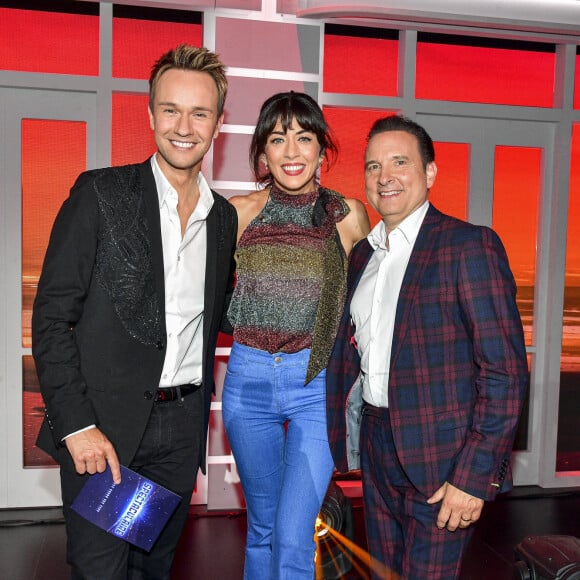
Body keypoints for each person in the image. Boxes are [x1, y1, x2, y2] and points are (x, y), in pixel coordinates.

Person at [32, 45, 237, 579]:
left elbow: (218, 313)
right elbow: (52, 318)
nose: (183, 126)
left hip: (179, 430)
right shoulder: (101, 193)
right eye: (170, 109)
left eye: (199, 112)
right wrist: (75, 425)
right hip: (107, 433)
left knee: (150, 567)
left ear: (218, 122)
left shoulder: (223, 220)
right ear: (150, 115)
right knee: (103, 570)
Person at [326, 115, 529, 579]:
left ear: (430, 172)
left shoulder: (468, 245)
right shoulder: (363, 256)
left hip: (444, 457)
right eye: (374, 166)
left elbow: (504, 372)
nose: (385, 177)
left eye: (400, 162)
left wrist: (473, 477)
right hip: (378, 445)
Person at [221, 91, 370, 579]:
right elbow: (207, 297)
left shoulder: (346, 214)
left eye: (303, 138)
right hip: (249, 379)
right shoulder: (239, 213)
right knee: (262, 527)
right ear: (263, 151)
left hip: (315, 385)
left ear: (321, 149)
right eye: (278, 139)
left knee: (292, 532)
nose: (291, 152)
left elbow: (368, 306)